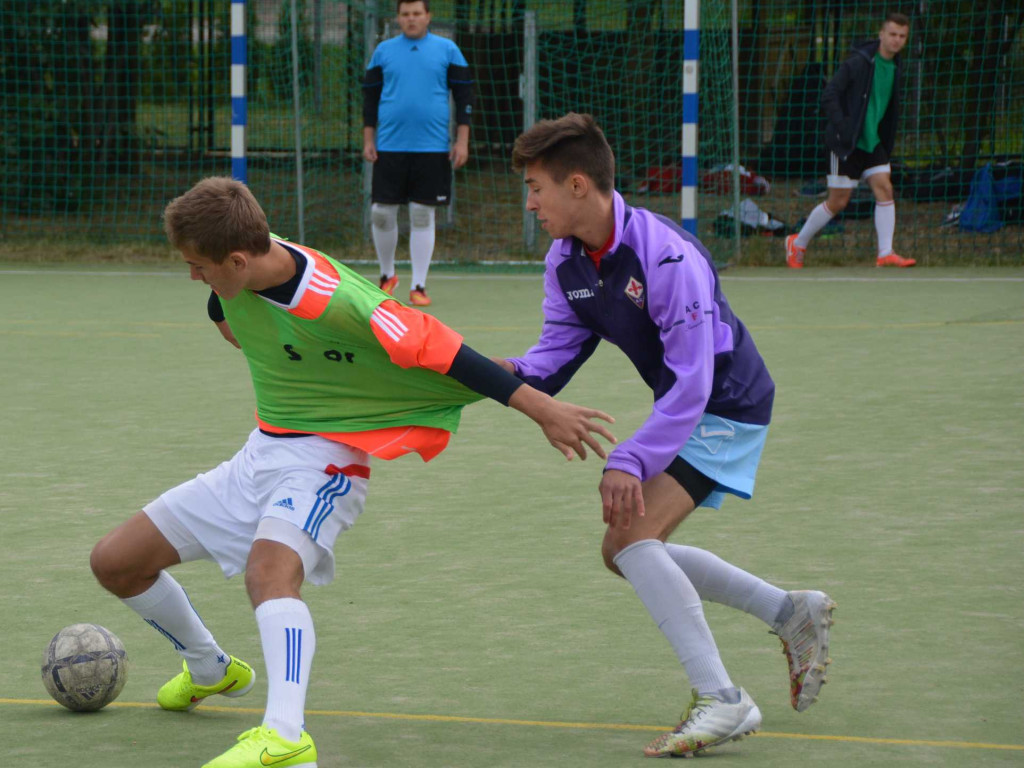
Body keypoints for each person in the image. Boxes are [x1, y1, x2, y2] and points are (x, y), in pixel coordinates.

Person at [89, 177, 615, 768]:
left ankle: (286, 738)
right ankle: (211, 668)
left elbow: (443, 351)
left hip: (326, 460)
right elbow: (229, 313)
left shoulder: (342, 300)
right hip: (260, 453)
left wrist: (541, 408)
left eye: (197, 267)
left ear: (238, 259)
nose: (194, 278)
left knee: (269, 575)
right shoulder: (236, 271)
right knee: (115, 563)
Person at [498, 113, 837, 758]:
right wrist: (495, 373)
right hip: (693, 405)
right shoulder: (567, 259)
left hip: (727, 404)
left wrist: (629, 457)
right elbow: (554, 357)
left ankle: (724, 699)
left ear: (577, 186)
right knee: (624, 546)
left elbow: (693, 384)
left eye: (536, 186)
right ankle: (786, 611)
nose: (531, 201)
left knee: (629, 538)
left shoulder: (667, 256)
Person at [362, 0, 472, 307]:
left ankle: (419, 285)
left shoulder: (448, 49)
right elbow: (369, 98)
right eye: (405, 14)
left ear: (428, 17)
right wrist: (368, 137)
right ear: (398, 18)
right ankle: (387, 277)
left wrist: (462, 141)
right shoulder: (383, 51)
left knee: (423, 213)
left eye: (417, 14)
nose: (411, 19)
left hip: (433, 148)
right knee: (381, 212)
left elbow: (464, 96)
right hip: (389, 146)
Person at [786, 12, 915, 268]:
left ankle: (885, 252)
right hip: (845, 143)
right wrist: (844, 128)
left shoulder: (896, 66)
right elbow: (830, 94)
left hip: (873, 143)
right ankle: (797, 242)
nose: (896, 40)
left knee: (885, 188)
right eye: (892, 34)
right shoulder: (858, 63)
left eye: (902, 36)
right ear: (881, 34)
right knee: (838, 202)